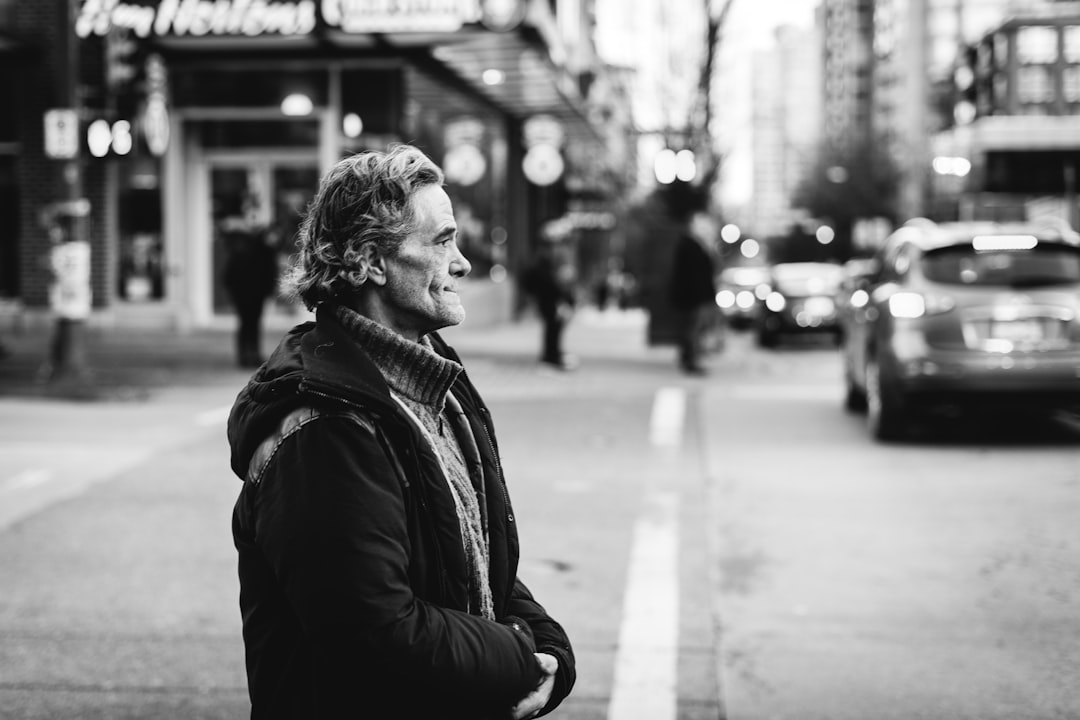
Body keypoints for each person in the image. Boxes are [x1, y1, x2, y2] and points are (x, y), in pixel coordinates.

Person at [227, 144, 575, 719]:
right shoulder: (322, 431)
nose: (461, 262)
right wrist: (520, 654)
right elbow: (376, 632)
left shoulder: (436, 384)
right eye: (442, 241)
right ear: (370, 260)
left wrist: (553, 652)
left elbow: (480, 564)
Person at [222, 194, 279, 368]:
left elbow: (269, 260)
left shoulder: (263, 235)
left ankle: (252, 352)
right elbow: (234, 261)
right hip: (243, 286)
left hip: (258, 285)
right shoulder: (238, 234)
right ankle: (244, 354)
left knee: (254, 320)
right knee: (246, 320)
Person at [668, 209, 718, 375]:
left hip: (692, 297)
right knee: (691, 330)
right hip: (692, 298)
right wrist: (704, 297)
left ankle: (688, 359)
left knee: (691, 330)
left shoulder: (694, 245)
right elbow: (696, 276)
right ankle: (690, 361)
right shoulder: (692, 246)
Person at [522, 240, 576, 370]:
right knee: (552, 329)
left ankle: (552, 354)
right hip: (548, 301)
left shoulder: (546, 263)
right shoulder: (542, 265)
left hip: (549, 300)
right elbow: (545, 283)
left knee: (553, 329)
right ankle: (551, 356)